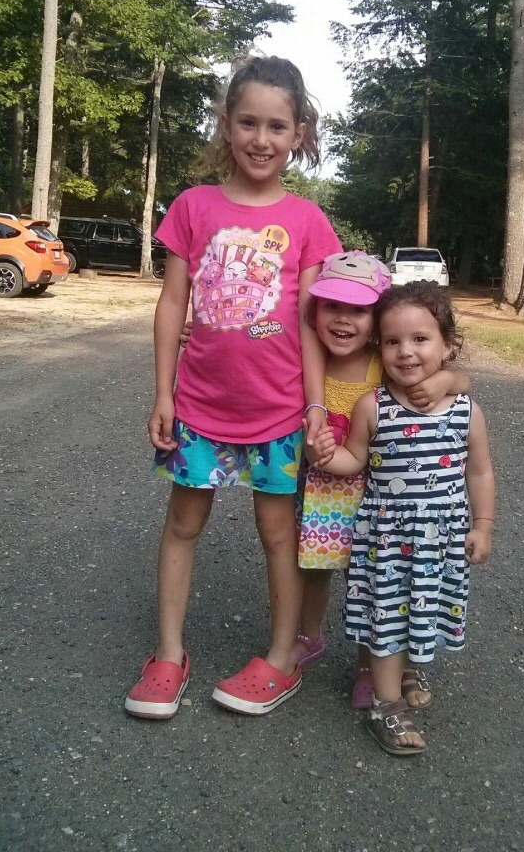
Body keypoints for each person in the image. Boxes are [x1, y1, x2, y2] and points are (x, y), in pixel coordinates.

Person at [124, 55, 341, 720]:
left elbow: (311, 324)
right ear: (225, 124)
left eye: (277, 126)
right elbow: (172, 305)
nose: (261, 138)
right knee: (182, 524)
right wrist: (163, 394)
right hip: (198, 411)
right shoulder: (193, 207)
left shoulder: (309, 222)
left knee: (278, 535)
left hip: (278, 415)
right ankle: (168, 654)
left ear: (299, 133)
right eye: (248, 122)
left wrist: (315, 406)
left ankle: (281, 659)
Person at [305, 281, 495, 756]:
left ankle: (408, 668)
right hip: (387, 541)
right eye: (392, 341)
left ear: (447, 346)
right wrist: (323, 455)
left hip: (439, 541)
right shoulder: (373, 405)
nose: (405, 351)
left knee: (422, 606)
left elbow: (480, 471)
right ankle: (386, 706)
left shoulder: (467, 412)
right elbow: (354, 459)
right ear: (380, 348)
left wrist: (483, 525)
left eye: (420, 339)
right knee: (388, 616)